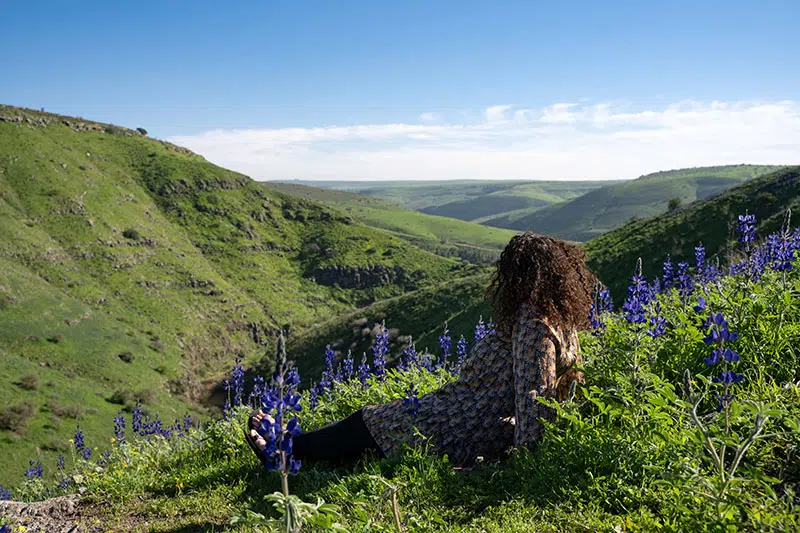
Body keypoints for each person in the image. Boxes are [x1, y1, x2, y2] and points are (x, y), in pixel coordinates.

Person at [246, 232, 596, 467]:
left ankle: (284, 453)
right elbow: (554, 393)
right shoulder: (561, 322)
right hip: (461, 417)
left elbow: (535, 398)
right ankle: (290, 444)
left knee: (370, 422)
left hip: (456, 427)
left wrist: (518, 462)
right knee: (372, 419)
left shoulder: (533, 322)